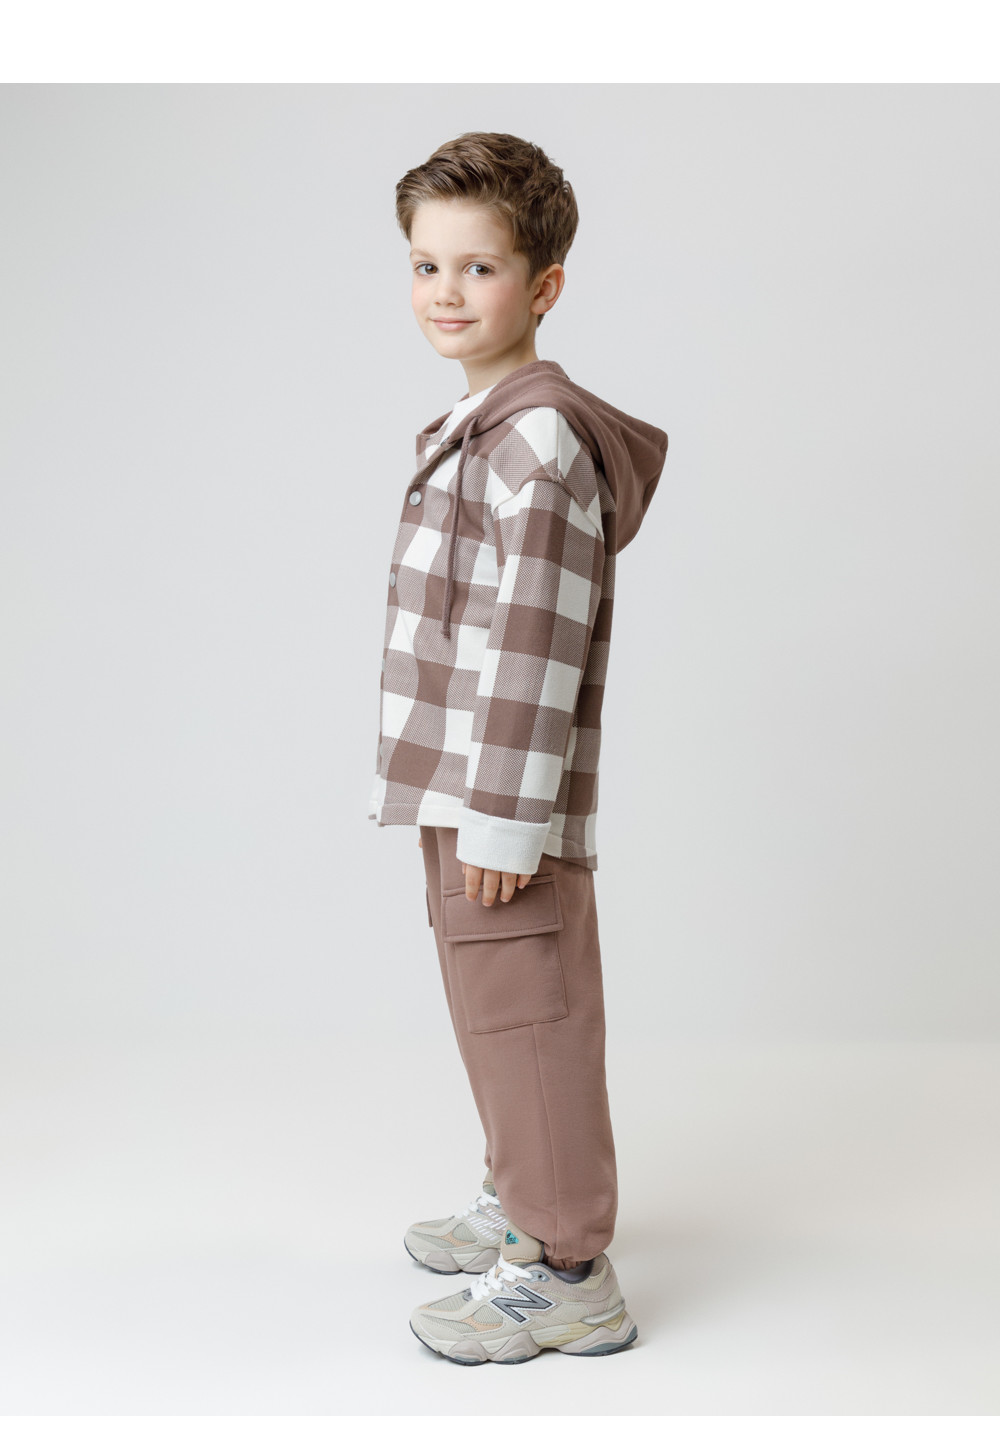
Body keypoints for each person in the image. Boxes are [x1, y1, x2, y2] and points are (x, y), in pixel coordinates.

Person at [368, 131, 668, 1365]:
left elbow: (533, 641)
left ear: (543, 286)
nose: (445, 293)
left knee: (532, 1019)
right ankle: (521, 1200)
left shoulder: (533, 446)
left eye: (478, 268)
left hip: (502, 806)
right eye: (425, 265)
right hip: (463, 789)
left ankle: (565, 1270)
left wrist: (502, 820)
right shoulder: (476, 427)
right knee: (497, 1010)